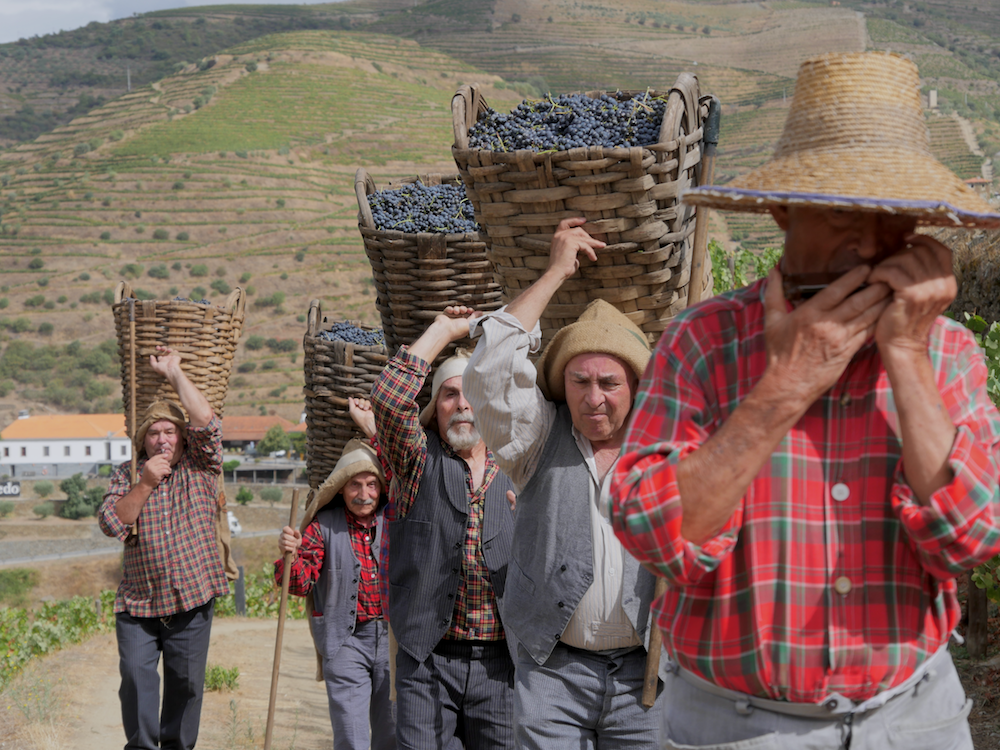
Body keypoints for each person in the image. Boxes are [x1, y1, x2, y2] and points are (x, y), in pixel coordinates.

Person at [610, 51, 1000, 750]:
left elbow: (970, 539)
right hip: (737, 728)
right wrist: (785, 385)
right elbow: (657, 537)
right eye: (849, 206)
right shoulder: (704, 342)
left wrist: (907, 355)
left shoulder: (945, 351)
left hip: (914, 719)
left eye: (898, 214)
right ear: (783, 208)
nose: (876, 239)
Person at [463, 235, 665, 749]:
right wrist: (555, 273)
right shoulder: (534, 436)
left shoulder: (668, 447)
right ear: (562, 383)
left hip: (649, 674)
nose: (593, 398)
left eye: (609, 383)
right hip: (553, 670)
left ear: (637, 387)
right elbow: (488, 372)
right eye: (580, 381)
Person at [370, 313, 516, 750]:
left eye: (472, 392)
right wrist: (445, 331)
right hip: (428, 656)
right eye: (450, 394)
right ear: (435, 410)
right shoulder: (417, 462)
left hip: (503, 663)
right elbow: (388, 401)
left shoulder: (516, 461)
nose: (463, 403)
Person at [99, 346, 228, 750]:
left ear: (182, 436)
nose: (162, 439)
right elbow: (111, 521)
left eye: (170, 431)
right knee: (137, 684)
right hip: (139, 604)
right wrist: (145, 483)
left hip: (190, 601)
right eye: (153, 433)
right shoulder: (128, 474)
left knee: (186, 688)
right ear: (143, 441)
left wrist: (174, 372)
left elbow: (207, 422)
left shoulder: (201, 466)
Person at [274, 438, 395, 750]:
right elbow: (299, 584)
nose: (364, 494)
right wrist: (291, 555)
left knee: (392, 735)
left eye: (371, 484)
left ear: (381, 487)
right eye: (355, 485)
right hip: (346, 643)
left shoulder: (395, 521)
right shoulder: (321, 528)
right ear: (341, 488)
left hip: (394, 643)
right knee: (351, 738)